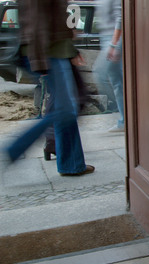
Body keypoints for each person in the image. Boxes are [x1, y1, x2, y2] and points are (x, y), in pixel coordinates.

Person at [2, 0, 94, 177]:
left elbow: (56, 15)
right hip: (49, 52)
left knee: (65, 107)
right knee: (66, 109)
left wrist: (71, 48)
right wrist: (39, 61)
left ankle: (72, 164)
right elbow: (36, 19)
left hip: (57, 50)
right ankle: (13, 149)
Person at [93, 0, 125, 133]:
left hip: (114, 39)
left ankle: (130, 114)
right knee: (116, 82)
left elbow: (121, 16)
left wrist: (114, 44)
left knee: (100, 74)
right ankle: (124, 119)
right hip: (106, 38)